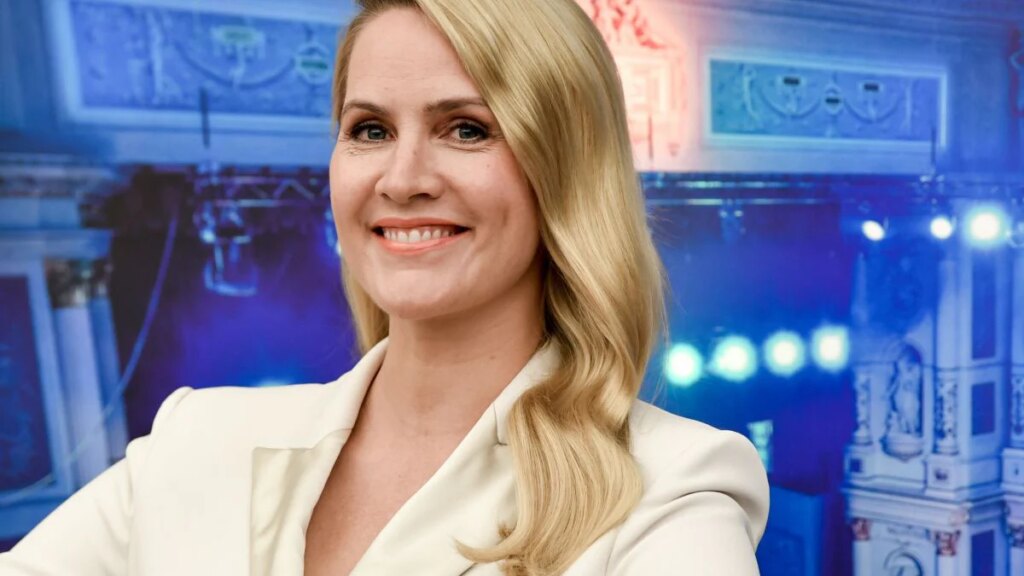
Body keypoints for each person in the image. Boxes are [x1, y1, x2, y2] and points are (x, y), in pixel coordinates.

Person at [0, 0, 769, 574]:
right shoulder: (196, 438)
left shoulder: (669, 490)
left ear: (563, 171)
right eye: (370, 130)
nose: (402, 180)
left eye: (466, 128)